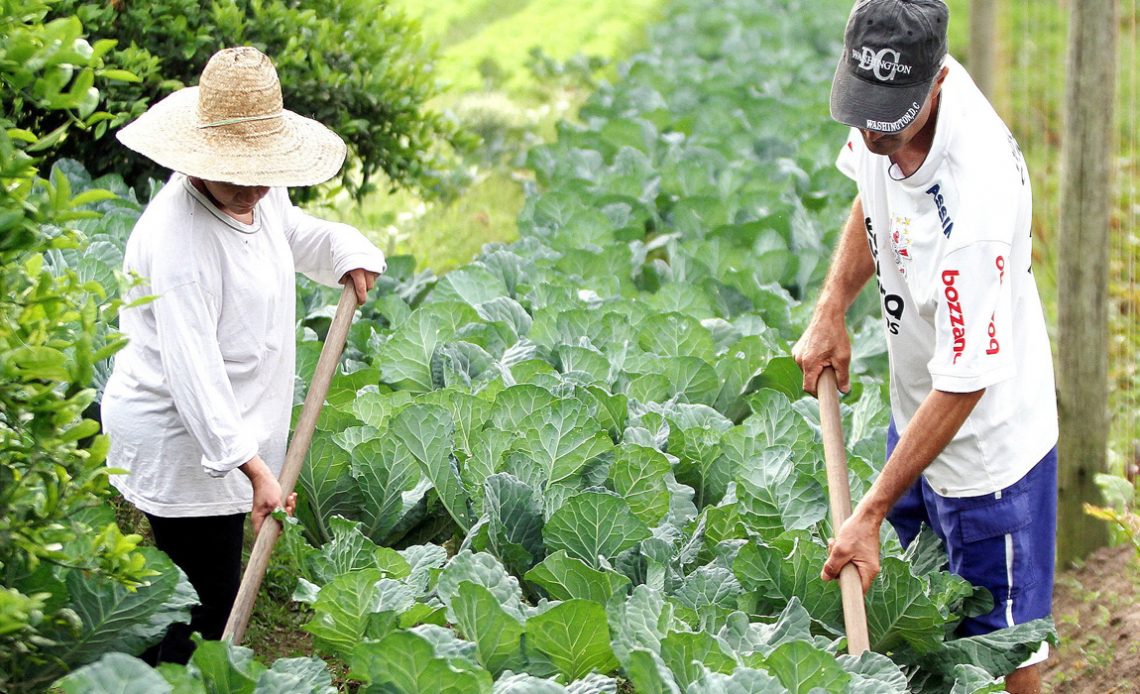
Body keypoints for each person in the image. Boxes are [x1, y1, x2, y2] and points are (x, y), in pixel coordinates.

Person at [792, 1, 1058, 691]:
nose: (872, 133)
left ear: (936, 85)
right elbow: (870, 193)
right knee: (919, 614)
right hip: (917, 417)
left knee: (1005, 646)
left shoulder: (976, 207)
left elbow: (966, 382)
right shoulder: (890, 112)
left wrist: (871, 510)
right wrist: (830, 310)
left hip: (988, 458)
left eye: (889, 120)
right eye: (863, 110)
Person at [102, 46, 387, 664]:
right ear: (199, 160)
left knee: (207, 593)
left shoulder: (257, 190)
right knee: (201, 605)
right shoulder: (179, 238)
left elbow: (292, 232)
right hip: (181, 436)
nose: (256, 188)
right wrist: (254, 469)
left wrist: (346, 248)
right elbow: (193, 375)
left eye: (263, 172)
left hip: (234, 428)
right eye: (239, 175)